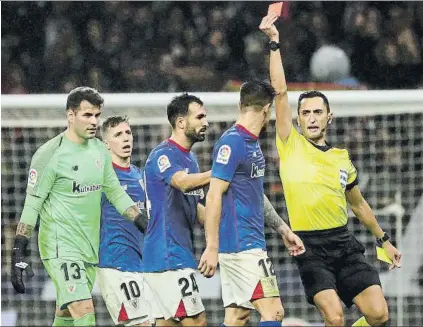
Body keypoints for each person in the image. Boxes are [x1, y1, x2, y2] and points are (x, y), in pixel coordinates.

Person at [259, 12, 402, 327]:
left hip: (344, 244)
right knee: (335, 318)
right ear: (298, 119)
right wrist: (274, 44)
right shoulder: (289, 143)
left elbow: (358, 204)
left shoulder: (342, 158)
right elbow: (279, 92)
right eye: (305, 113)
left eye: (317, 112)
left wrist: (384, 240)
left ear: (329, 117)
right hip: (310, 247)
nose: (311, 118)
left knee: (379, 314)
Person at [10, 87, 149, 327]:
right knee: (85, 314)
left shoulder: (98, 150)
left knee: (65, 318)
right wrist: (17, 251)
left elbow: (115, 192)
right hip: (60, 248)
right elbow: (32, 205)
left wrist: (144, 223)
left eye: (97, 115)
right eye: (87, 115)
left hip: (89, 248)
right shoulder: (49, 154)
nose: (94, 121)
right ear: (70, 116)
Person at [198, 78, 305, 327]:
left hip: (245, 243)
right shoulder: (231, 142)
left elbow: (254, 193)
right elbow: (214, 195)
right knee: (274, 312)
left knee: (237, 317)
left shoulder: (250, 142)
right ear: (267, 110)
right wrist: (212, 246)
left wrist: (282, 228)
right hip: (241, 245)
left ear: (240, 105)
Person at [142, 93, 211, 326]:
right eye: (199, 116)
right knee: (197, 321)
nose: (206, 122)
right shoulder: (164, 154)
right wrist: (221, 172)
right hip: (168, 255)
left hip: (172, 255)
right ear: (181, 122)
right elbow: (181, 182)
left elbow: (198, 209)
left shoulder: (191, 159)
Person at [97, 115, 151, 326]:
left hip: (142, 264)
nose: (126, 138)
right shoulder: (101, 177)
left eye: (128, 133)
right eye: (118, 135)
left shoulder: (140, 175)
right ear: (106, 144)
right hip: (116, 264)